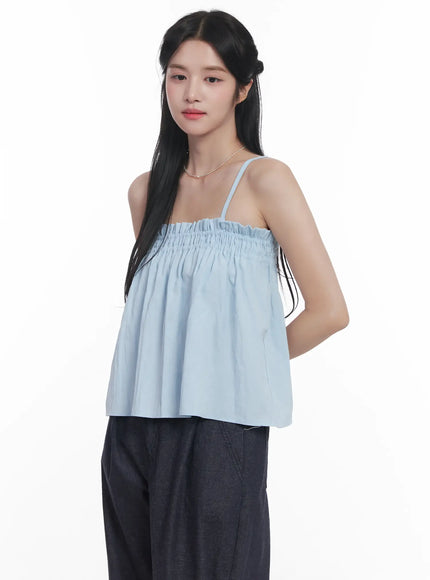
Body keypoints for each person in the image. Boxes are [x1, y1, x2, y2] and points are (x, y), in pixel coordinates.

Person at [100, 9, 349, 580]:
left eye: (212, 78)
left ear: (243, 87)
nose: (191, 92)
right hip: (131, 425)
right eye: (178, 75)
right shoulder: (146, 192)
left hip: (219, 431)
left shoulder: (266, 180)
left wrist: (239, 363)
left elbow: (330, 311)